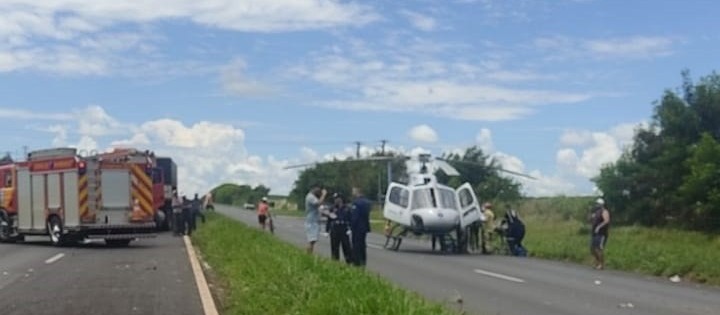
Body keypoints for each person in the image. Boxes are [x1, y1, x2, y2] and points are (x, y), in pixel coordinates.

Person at [327, 193, 353, 264]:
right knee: (334, 247)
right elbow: (329, 220)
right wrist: (327, 230)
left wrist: (350, 229)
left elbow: (350, 219)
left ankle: (349, 262)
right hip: (335, 228)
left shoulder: (346, 208)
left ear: (340, 199)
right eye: (335, 199)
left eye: (337, 198)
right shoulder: (332, 208)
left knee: (347, 247)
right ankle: (335, 262)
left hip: (344, 228)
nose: (336, 200)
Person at [350, 187, 371, 267]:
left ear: (357, 192)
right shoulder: (367, 202)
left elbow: (355, 217)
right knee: (362, 245)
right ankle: (363, 261)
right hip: (364, 227)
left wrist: (351, 226)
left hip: (357, 227)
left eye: (353, 191)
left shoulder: (356, 203)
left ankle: (357, 263)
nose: (352, 193)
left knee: (356, 246)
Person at [304, 186, 328, 254]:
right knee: (311, 240)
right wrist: (323, 195)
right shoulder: (310, 197)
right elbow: (318, 203)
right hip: (311, 222)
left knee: (313, 240)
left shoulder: (311, 196)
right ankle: (308, 255)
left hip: (313, 221)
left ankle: (309, 253)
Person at [590, 198, 611, 270]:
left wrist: (599, 227)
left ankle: (601, 264)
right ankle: (597, 262)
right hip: (594, 233)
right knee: (592, 249)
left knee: (598, 249)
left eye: (598, 204)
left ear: (601, 204)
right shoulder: (596, 212)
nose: (596, 205)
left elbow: (606, 221)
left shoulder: (604, 211)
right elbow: (592, 220)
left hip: (601, 233)